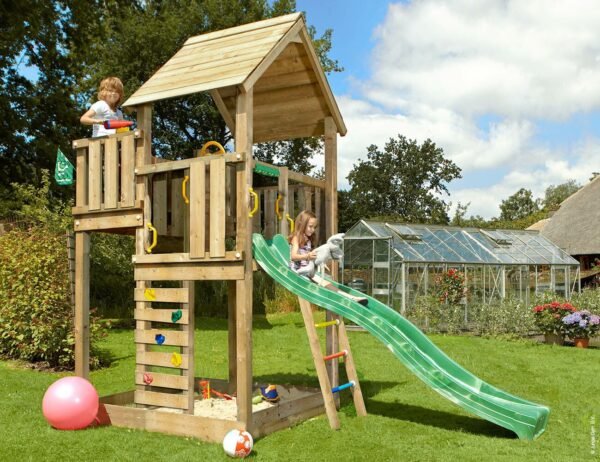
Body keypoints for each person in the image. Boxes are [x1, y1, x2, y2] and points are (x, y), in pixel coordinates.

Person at [289, 210, 367, 306]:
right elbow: (293, 256)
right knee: (322, 283)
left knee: (327, 283)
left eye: (314, 227)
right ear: (302, 224)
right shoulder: (296, 238)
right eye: (310, 226)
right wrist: (307, 256)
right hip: (298, 271)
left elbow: (310, 257)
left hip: (308, 270)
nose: (312, 229)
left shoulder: (308, 239)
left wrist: (320, 263)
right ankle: (350, 298)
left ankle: (352, 298)